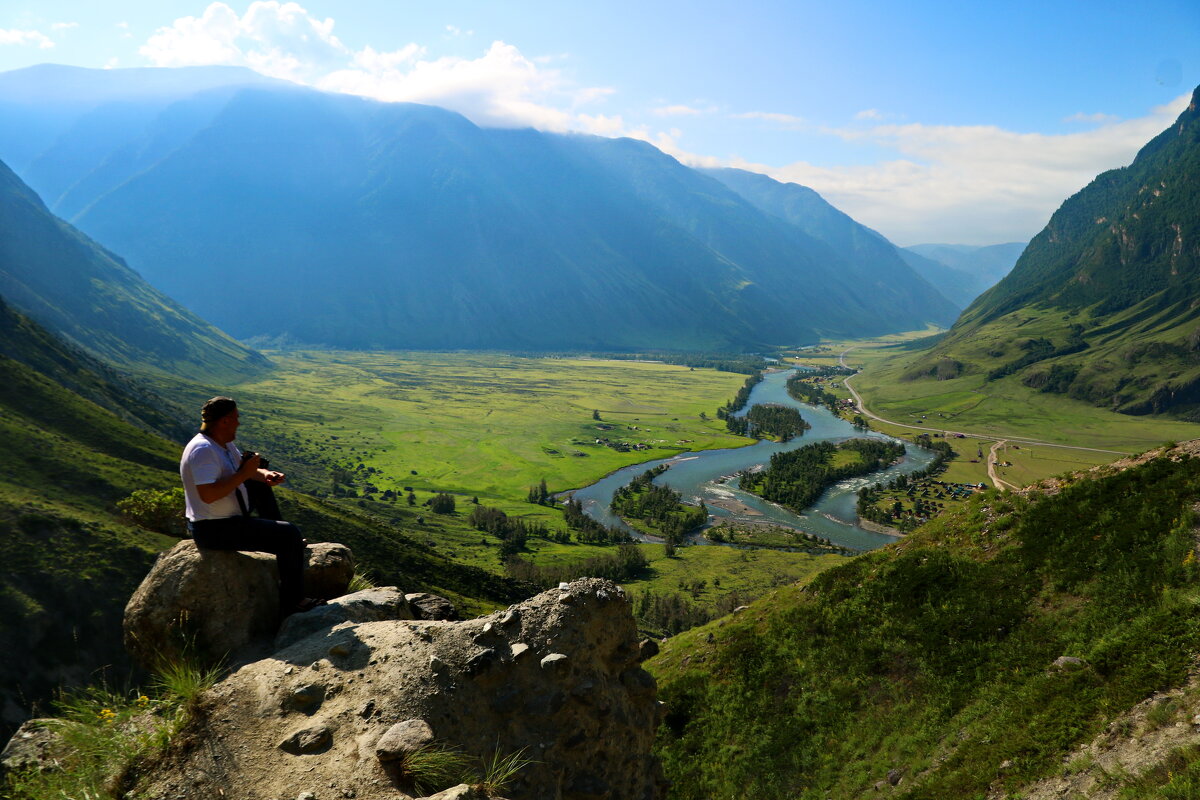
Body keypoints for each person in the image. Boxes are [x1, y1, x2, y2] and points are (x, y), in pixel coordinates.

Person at [180, 396, 322, 616]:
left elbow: (245, 471)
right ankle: (294, 601)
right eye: (236, 418)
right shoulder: (203, 451)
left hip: (227, 521)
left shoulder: (223, 444)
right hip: (214, 529)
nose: (239, 422)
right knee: (289, 535)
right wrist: (245, 474)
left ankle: (278, 528)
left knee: (260, 485)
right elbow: (207, 495)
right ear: (225, 421)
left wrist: (265, 475)